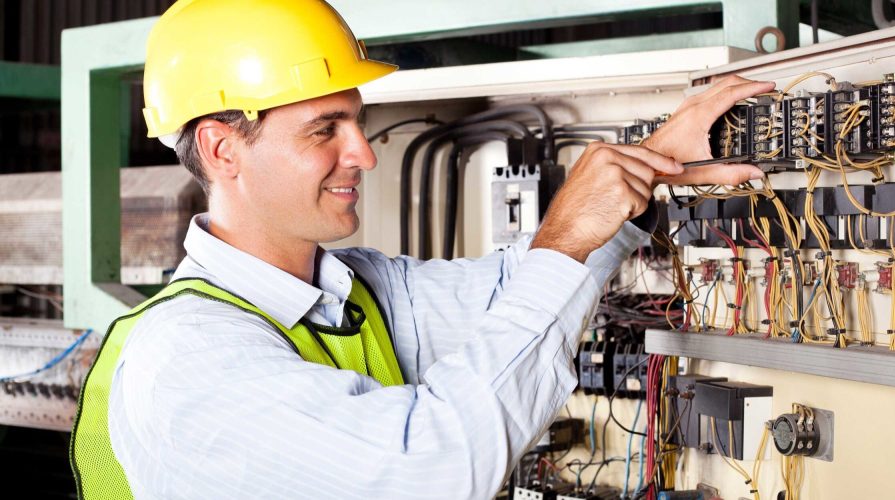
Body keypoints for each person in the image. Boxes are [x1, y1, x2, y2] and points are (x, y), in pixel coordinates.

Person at [70, 0, 773, 498]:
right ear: (224, 149)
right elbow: (427, 470)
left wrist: (642, 176)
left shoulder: (355, 289)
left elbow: (513, 294)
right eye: (324, 129)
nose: (363, 154)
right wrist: (565, 235)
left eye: (357, 122)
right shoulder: (188, 358)